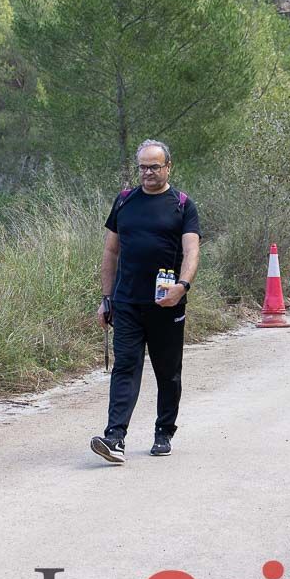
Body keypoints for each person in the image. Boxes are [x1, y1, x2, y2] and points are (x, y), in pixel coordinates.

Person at [91, 140, 201, 463]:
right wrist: (106, 298)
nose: (148, 173)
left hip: (167, 306)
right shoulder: (124, 202)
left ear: (168, 167)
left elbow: (192, 251)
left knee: (168, 372)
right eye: (143, 167)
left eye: (154, 166)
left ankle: (164, 430)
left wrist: (182, 286)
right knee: (125, 366)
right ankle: (115, 438)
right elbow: (111, 251)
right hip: (127, 304)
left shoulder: (182, 205)